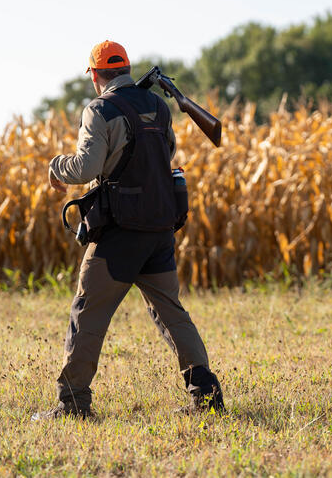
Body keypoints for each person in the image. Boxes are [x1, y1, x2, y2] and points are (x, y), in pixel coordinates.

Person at [33, 40, 223, 420]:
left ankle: (72, 405)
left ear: (95, 75)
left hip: (119, 232)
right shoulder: (157, 105)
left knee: (87, 313)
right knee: (172, 312)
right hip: (160, 226)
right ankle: (206, 396)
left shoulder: (100, 109)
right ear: (125, 69)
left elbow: (87, 168)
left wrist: (56, 167)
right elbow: (164, 155)